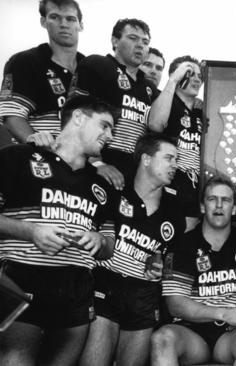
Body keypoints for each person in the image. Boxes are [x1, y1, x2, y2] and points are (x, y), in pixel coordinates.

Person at [0, 95, 118, 366]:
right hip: (20, 280)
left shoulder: (103, 185)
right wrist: (30, 232)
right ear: (78, 117)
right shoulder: (17, 157)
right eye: (104, 126)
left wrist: (99, 240)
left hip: (76, 290)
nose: (109, 136)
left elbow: (109, 248)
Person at [79, 133, 185, 366]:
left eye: (176, 160)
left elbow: (169, 261)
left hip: (144, 296)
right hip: (105, 284)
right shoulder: (115, 190)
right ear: (146, 159)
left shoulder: (175, 213)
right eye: (168, 158)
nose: (174, 165)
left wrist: (160, 269)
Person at [150, 177, 236, 366]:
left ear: (235, 208)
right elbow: (175, 304)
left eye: (226, 200)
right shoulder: (183, 244)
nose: (219, 205)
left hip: (232, 333)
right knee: (162, 338)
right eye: (212, 199)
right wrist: (223, 313)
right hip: (192, 332)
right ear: (203, 207)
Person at [69, 18, 156, 190]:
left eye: (145, 42)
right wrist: (95, 163)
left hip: (134, 175)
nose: (140, 45)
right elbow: (73, 115)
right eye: (133, 38)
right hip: (98, 168)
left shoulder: (149, 88)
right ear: (115, 41)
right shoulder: (97, 64)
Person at [0, 0, 84, 143]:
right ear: (43, 22)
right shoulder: (25, 61)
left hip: (82, 160)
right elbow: (12, 117)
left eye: (70, 19)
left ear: (80, 25)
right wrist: (42, 147)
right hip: (40, 159)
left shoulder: (90, 67)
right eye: (55, 17)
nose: (63, 24)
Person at [147, 55, 203, 231]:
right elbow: (155, 124)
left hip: (194, 190)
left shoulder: (201, 112)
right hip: (168, 187)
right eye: (189, 73)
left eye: (199, 76)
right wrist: (172, 80)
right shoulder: (166, 103)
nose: (196, 79)